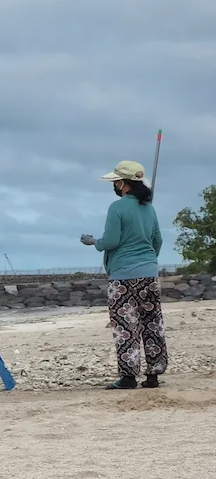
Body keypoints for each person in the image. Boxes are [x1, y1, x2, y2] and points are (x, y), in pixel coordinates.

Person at [81, 160, 167, 390]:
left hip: (123, 277)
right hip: (149, 274)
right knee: (152, 324)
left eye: (116, 182)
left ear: (123, 184)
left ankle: (128, 377)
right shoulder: (149, 208)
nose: (115, 186)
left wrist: (93, 242)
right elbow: (157, 240)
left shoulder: (116, 208)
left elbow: (111, 241)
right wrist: (148, 262)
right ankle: (153, 375)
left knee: (125, 326)